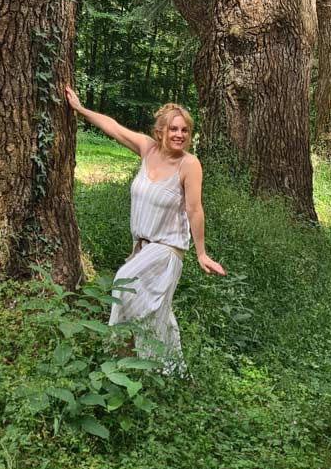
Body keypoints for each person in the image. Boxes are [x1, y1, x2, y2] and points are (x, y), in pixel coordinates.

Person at [65, 87, 225, 368]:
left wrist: (201, 253)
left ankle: (118, 357)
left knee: (122, 283)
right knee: (156, 313)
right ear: (160, 131)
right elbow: (114, 128)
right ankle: (165, 372)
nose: (179, 135)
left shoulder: (189, 164)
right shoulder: (147, 149)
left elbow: (194, 209)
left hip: (166, 251)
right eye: (174, 129)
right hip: (141, 249)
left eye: (185, 130)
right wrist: (80, 109)